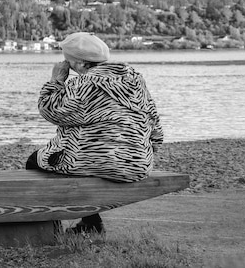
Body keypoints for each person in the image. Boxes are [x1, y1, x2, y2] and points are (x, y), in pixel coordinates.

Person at [26, 32, 163, 234]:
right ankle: (89, 223)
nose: (65, 65)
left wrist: (56, 80)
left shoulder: (83, 84)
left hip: (94, 160)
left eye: (67, 61)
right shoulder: (135, 80)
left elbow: (51, 111)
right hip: (138, 164)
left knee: (34, 161)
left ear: (80, 64)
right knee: (78, 159)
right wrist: (147, 152)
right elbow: (154, 124)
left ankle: (55, 224)